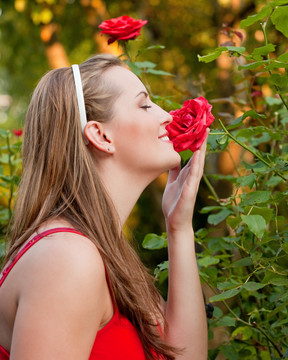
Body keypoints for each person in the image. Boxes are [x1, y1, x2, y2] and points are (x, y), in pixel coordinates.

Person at [0, 54, 208, 360]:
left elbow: (186, 357)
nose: (167, 115)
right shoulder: (66, 259)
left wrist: (179, 227)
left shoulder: (108, 252)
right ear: (100, 135)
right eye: (145, 104)